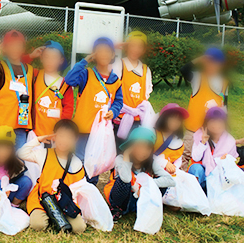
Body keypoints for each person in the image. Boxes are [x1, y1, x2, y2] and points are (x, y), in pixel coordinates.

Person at [65, 37, 123, 183]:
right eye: (99, 51)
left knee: (95, 160)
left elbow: (118, 101)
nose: (103, 54)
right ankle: (76, 187)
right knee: (80, 159)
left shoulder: (115, 80)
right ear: (94, 54)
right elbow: (69, 80)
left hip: (100, 131)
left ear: (112, 55)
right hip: (83, 129)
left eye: (107, 51)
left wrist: (114, 111)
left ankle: (90, 187)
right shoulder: (86, 74)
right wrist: (84, 61)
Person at [18, 119, 87, 234]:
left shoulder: (76, 163)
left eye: (69, 137)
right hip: (41, 198)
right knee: (38, 225)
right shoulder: (44, 154)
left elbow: (78, 188)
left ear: (75, 140)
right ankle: (48, 216)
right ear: (54, 136)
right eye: (61, 136)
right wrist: (38, 140)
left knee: (78, 228)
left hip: (64, 202)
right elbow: (21, 153)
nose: (64, 140)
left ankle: (55, 217)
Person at [104, 126, 175, 222]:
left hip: (139, 198)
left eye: (147, 148)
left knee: (162, 183)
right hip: (122, 199)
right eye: (139, 146)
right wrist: (126, 156)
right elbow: (125, 179)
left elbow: (170, 180)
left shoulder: (151, 162)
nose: (143, 151)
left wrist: (146, 185)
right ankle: (117, 209)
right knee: (124, 181)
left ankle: (147, 208)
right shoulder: (120, 159)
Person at [0, 30, 33, 149]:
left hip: (21, 126)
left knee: (19, 158)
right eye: (10, 45)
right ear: (4, 49)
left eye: (18, 45)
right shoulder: (0, 67)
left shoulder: (30, 70)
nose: (15, 49)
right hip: (1, 128)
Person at [180, 47, 228, 169]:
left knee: (210, 158)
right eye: (208, 62)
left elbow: (224, 105)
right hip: (194, 128)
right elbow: (184, 70)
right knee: (186, 155)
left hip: (213, 130)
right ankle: (181, 177)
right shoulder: (198, 78)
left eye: (215, 63)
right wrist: (200, 59)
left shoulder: (223, 81)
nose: (211, 66)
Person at [113, 31, 153, 143]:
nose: (135, 49)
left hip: (138, 119)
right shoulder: (119, 65)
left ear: (144, 49)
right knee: (119, 147)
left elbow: (146, 93)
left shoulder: (145, 69)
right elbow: (111, 88)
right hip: (120, 118)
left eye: (139, 46)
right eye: (132, 45)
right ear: (126, 47)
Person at [187, 107, 237, 191]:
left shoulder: (230, 141)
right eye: (213, 121)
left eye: (219, 122)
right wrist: (203, 143)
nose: (216, 125)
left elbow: (232, 164)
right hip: (203, 176)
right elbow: (195, 158)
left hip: (220, 178)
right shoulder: (199, 135)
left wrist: (224, 161)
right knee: (196, 168)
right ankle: (196, 193)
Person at [30, 41, 74, 137]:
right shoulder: (34, 75)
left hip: (54, 135)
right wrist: (31, 56)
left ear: (61, 60)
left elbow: (68, 109)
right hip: (34, 134)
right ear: (41, 58)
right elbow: (18, 66)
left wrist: (61, 129)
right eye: (46, 57)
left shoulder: (65, 84)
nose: (50, 61)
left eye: (54, 57)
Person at [153, 103, 189, 174]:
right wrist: (165, 163)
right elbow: (145, 155)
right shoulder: (153, 134)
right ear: (164, 118)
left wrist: (174, 167)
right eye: (172, 118)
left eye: (178, 119)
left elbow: (178, 159)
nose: (175, 122)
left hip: (167, 174)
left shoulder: (178, 142)